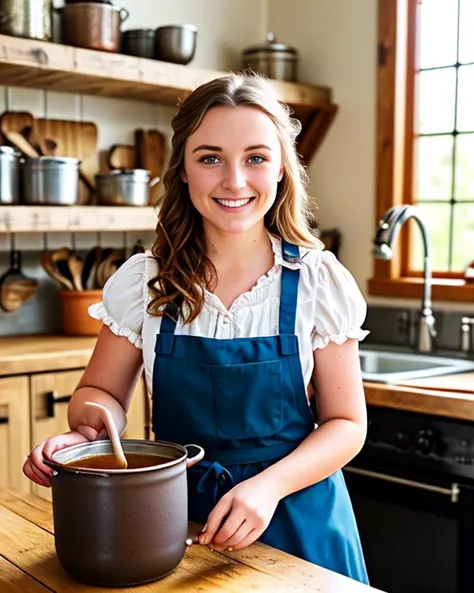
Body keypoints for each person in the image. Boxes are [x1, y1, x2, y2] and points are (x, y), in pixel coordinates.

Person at [24, 73, 369, 584]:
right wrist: (84, 438)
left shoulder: (319, 282)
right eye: (210, 158)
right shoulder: (144, 281)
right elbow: (99, 393)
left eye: (256, 157)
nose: (234, 180)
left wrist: (268, 488)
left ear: (281, 170)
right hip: (171, 517)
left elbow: (346, 424)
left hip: (297, 515)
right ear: (183, 170)